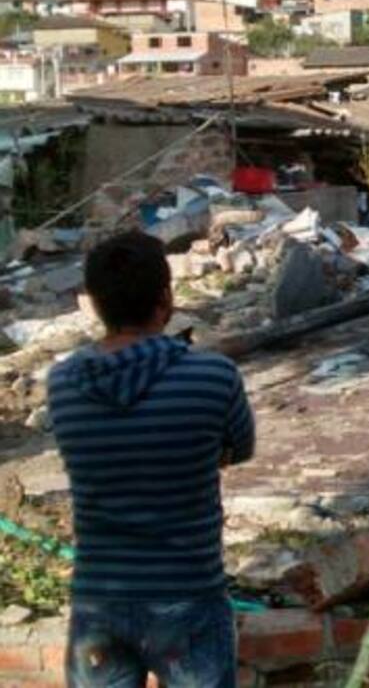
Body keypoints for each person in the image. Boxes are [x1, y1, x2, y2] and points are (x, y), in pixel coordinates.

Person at [48, 230, 255, 688]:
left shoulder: (62, 384)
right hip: (188, 594)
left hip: (98, 599)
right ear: (166, 298)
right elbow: (239, 448)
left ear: (96, 304)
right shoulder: (213, 375)